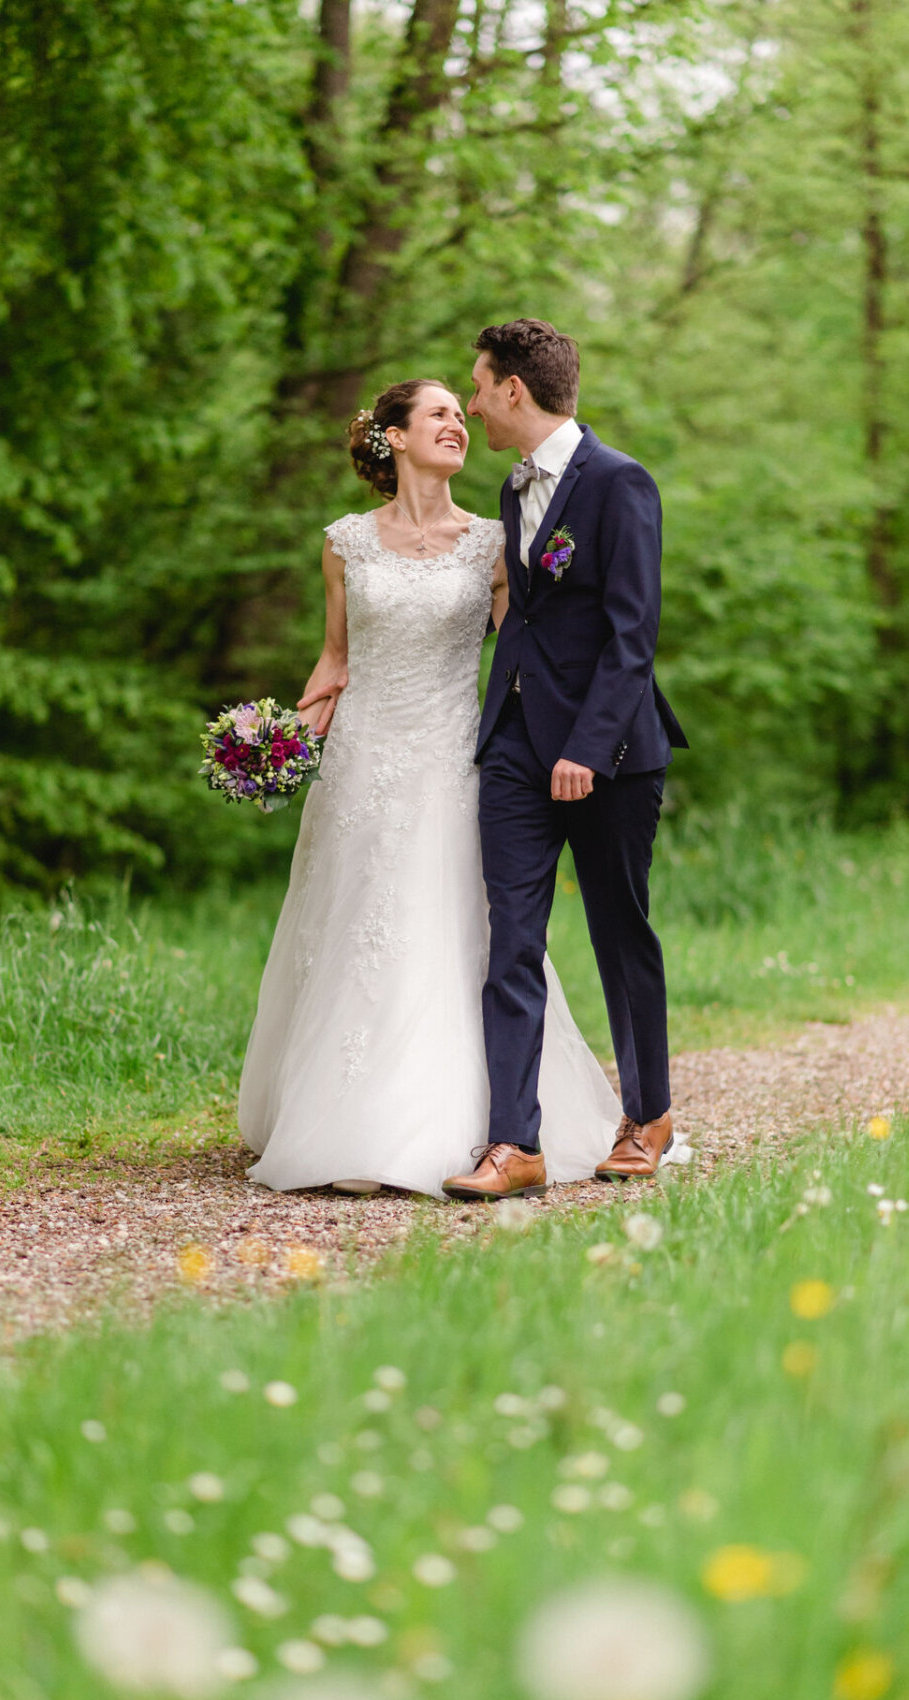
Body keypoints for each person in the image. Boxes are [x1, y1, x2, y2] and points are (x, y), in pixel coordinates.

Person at [237, 377, 620, 1196]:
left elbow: (525, 654)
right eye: (440, 413)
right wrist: (274, 746)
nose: (459, 423)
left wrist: (570, 738)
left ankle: (459, 1125)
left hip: (454, 759)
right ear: (394, 437)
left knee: (453, 928)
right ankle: (344, 1121)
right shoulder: (344, 541)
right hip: (362, 763)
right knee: (358, 928)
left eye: (461, 411)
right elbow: (335, 662)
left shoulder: (491, 542)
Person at [442, 320, 687, 1200]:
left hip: (609, 750)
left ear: (515, 388)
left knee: (621, 930)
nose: (471, 402)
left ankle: (648, 1115)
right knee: (511, 937)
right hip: (512, 746)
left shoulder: (621, 483)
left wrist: (588, 747)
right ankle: (517, 1143)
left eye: (478, 384)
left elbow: (633, 632)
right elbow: (528, 619)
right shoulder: (513, 492)